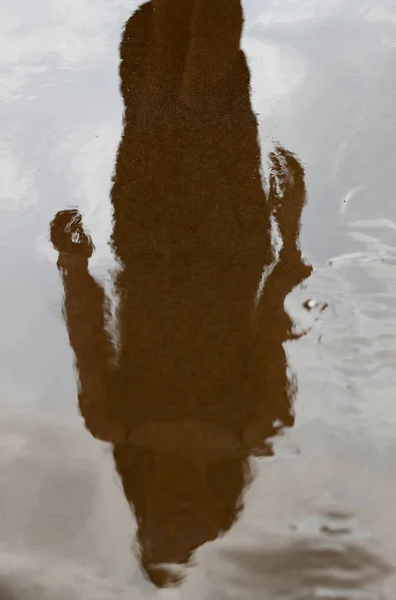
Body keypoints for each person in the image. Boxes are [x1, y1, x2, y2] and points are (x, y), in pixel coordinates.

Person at [50, 0, 311, 586]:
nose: (174, 527)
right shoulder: (255, 427)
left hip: (150, 237)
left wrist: (73, 262)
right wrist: (289, 223)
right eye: (184, 540)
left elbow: (88, 331)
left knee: (158, 78)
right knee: (204, 86)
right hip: (228, 240)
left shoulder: (113, 422)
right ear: (216, 522)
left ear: (142, 515)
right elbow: (273, 322)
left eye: (157, 536)